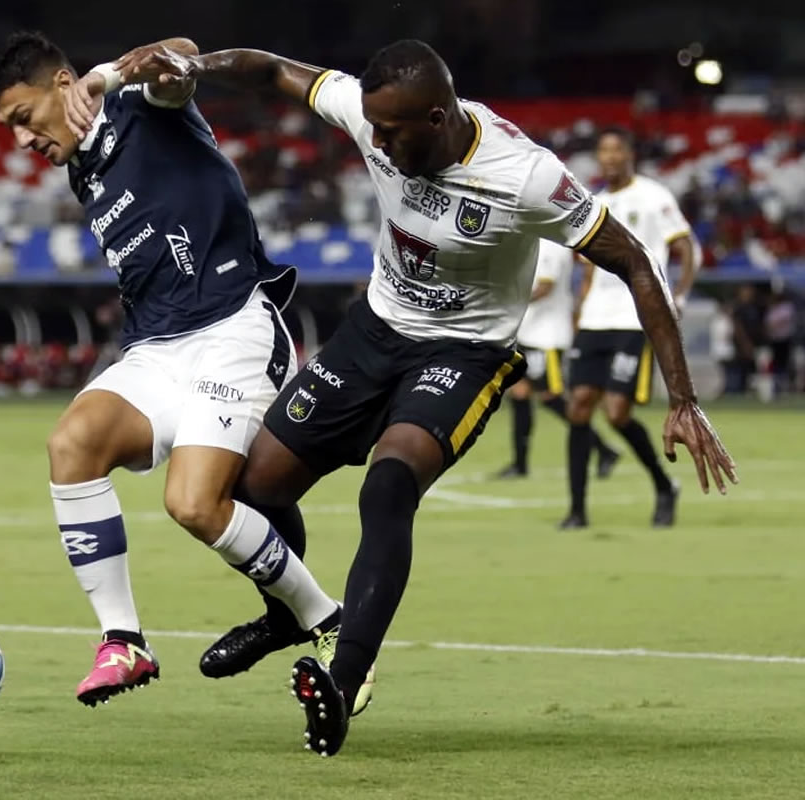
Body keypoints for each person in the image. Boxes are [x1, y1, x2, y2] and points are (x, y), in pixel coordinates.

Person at [111, 38, 737, 756]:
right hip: (375, 330)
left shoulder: (526, 175)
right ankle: (288, 614)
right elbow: (270, 68)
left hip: (465, 354)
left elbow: (633, 260)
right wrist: (196, 68)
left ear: (438, 118)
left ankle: (343, 681)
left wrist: (682, 398)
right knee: (253, 487)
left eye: (393, 133)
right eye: (372, 128)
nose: (376, 143)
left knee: (388, 487)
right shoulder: (374, 113)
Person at [0, 32, 354, 710]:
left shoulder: (144, 106)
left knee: (192, 504)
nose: (20, 141)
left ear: (62, 84)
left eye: (23, 118)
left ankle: (330, 622)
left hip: (233, 328)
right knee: (71, 445)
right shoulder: (83, 166)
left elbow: (176, 61)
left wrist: (108, 75)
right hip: (157, 350)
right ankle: (123, 641)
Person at [564, 128, 701, 528]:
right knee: (578, 407)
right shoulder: (596, 204)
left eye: (616, 150)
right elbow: (588, 270)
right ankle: (577, 510)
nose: (609, 157)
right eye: (603, 151)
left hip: (634, 317)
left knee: (617, 411)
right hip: (594, 319)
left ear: (630, 154)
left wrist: (680, 294)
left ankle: (663, 485)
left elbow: (687, 245)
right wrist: (579, 311)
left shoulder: (654, 196)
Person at [495, 239, 618, 479]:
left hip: (546, 336)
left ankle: (603, 449)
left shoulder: (551, 246)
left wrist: (510, 303)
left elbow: (545, 286)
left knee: (551, 398)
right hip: (528, 331)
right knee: (520, 394)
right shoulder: (533, 241)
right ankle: (520, 464)